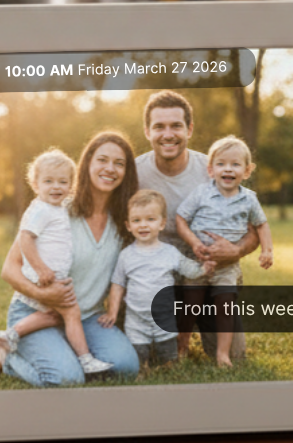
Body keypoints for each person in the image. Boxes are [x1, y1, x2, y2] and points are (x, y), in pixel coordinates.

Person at [0, 131, 140, 386]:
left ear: (126, 172)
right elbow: (9, 269)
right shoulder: (56, 208)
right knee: (66, 379)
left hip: (86, 316)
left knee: (125, 367)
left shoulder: (125, 221)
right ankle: (4, 355)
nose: (110, 168)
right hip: (35, 310)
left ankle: (65, 350)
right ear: (87, 164)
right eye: (102, 160)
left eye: (119, 163)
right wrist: (42, 294)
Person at [134, 91, 259, 358]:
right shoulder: (134, 174)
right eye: (159, 126)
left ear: (189, 129)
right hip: (157, 277)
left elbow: (254, 232)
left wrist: (236, 250)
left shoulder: (214, 170)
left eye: (176, 126)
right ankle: (171, 330)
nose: (168, 134)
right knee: (152, 356)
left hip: (208, 272)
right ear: (147, 131)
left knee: (234, 355)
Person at [0, 147, 112, 377]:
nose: (56, 187)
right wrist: (41, 269)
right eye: (48, 181)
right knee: (71, 312)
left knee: (54, 315)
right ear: (35, 185)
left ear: (71, 185)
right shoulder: (40, 210)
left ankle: (11, 336)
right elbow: (25, 239)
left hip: (52, 275)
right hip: (44, 277)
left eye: (63, 182)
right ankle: (84, 359)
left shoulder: (59, 207)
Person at [176, 136, 273, 368]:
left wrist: (267, 250)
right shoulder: (201, 193)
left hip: (227, 267)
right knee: (190, 306)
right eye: (221, 164)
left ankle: (222, 354)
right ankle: (182, 346)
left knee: (225, 308)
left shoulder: (249, 199)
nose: (228, 169)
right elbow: (180, 218)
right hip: (197, 262)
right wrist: (193, 243)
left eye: (235, 164)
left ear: (247, 171)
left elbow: (261, 225)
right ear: (211, 170)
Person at [100, 188, 207, 369]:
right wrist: (112, 312)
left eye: (150, 219)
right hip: (136, 320)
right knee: (138, 357)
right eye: (137, 220)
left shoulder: (170, 252)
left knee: (168, 356)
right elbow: (118, 284)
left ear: (162, 223)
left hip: (164, 318)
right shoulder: (126, 255)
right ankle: (143, 366)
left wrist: (204, 268)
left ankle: (167, 364)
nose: (143, 225)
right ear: (128, 225)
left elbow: (189, 270)